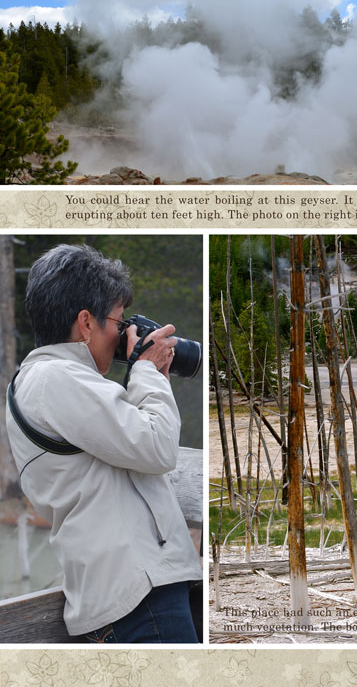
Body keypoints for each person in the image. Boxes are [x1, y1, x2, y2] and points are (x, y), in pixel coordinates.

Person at [5, 244, 202, 643]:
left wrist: (147, 373)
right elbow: (158, 446)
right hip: (137, 598)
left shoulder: (48, 380)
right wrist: (145, 370)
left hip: (133, 591)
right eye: (116, 320)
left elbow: (132, 440)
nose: (120, 333)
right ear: (86, 322)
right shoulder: (55, 379)